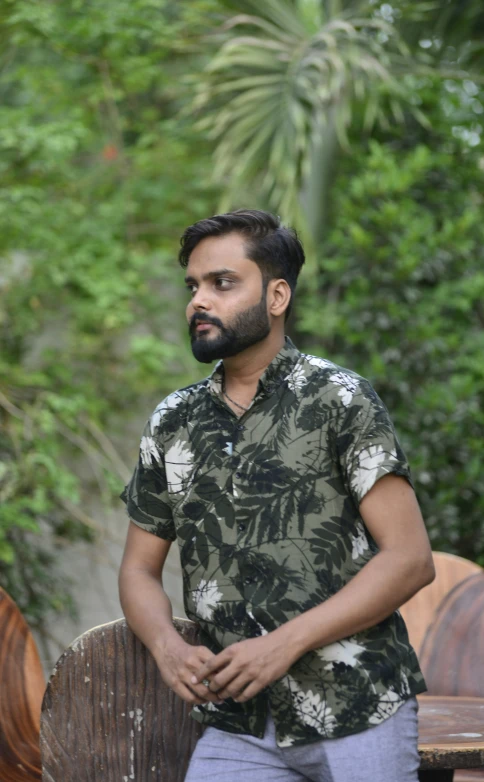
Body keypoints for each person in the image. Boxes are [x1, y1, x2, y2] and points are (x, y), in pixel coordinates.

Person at [118, 209, 435, 782]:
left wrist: (281, 644)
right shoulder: (172, 422)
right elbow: (139, 571)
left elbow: (410, 560)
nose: (198, 301)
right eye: (193, 286)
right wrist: (166, 646)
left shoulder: (340, 399)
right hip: (238, 724)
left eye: (223, 282)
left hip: (358, 707)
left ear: (277, 294)